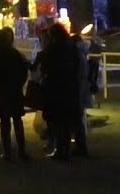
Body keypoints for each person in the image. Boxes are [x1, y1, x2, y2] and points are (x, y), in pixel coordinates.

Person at [0, 27, 30, 162]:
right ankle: (21, 150)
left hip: (0, 92)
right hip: (14, 91)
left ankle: (7, 151)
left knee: (4, 122)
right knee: (17, 120)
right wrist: (18, 85)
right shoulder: (13, 53)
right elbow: (23, 70)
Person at [43, 24, 82, 160]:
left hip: (57, 87)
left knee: (58, 120)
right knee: (67, 119)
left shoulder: (52, 49)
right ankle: (66, 147)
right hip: (70, 86)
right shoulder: (71, 47)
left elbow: (46, 67)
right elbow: (77, 65)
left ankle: (60, 149)